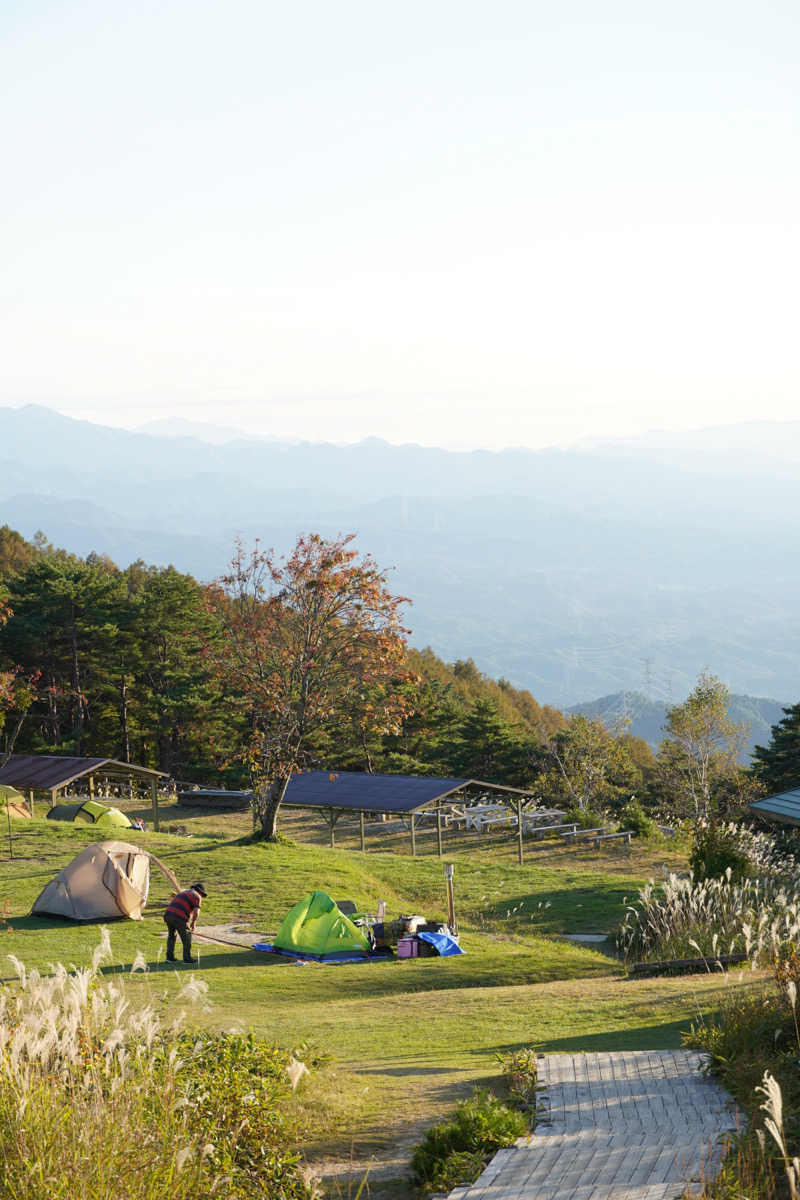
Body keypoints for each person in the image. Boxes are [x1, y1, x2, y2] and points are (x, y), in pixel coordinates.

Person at [163, 882, 207, 964]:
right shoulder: (197, 896)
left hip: (168, 915)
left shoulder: (183, 892)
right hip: (179, 917)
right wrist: (193, 923)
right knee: (187, 937)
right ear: (200, 892)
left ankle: (170, 958)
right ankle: (187, 959)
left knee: (172, 936)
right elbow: (196, 912)